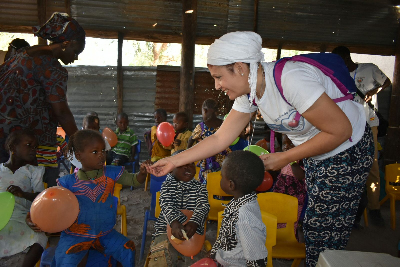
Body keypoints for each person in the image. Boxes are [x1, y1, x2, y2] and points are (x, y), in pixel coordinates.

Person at [149, 31, 374, 267]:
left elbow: (341, 131)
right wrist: (174, 161)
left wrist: (284, 158)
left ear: (239, 68)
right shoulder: (250, 94)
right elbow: (219, 139)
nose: (216, 86)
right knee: (312, 224)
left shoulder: (290, 79)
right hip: (317, 153)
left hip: (348, 151)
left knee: (323, 231)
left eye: (218, 77)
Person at [0, 12, 85, 182]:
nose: (75, 58)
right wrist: (80, 143)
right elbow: (61, 111)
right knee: (39, 191)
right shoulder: (52, 68)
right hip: (33, 145)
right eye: (75, 51)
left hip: (6, 139)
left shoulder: (20, 55)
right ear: (66, 43)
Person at [54, 129, 148, 266]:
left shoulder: (111, 173)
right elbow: (53, 209)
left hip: (105, 233)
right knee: (67, 261)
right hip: (75, 235)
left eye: (103, 151)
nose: (101, 155)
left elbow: (134, 180)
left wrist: (142, 173)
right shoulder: (66, 183)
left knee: (128, 249)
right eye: (95, 152)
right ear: (79, 156)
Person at [332, 46, 391, 228]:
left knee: (372, 166)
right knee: (346, 168)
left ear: (346, 58)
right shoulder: (336, 75)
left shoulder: (369, 68)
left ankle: (374, 209)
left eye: (340, 60)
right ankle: (350, 212)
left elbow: (387, 82)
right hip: (347, 126)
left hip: (368, 124)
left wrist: (374, 92)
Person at [148, 150, 210, 266]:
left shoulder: (200, 188)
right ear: (171, 168)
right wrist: (174, 222)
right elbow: (166, 204)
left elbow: (203, 206)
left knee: (197, 260)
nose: (187, 168)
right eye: (181, 165)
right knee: (161, 258)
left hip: (192, 232)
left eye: (191, 163)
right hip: (166, 230)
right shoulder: (167, 185)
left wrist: (194, 222)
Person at [208, 150, 268, 266]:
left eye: (222, 177)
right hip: (222, 259)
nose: (221, 179)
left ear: (231, 185)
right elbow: (226, 234)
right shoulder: (241, 201)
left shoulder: (245, 216)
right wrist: (215, 253)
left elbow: (256, 260)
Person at [0, 130, 47, 267]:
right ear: (13, 147)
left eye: (35, 147)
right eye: (29, 145)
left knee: (39, 238)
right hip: (1, 218)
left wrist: (24, 194)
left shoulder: (34, 171)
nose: (33, 150)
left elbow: (42, 199)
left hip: (23, 217)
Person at [187, 99, 231, 184]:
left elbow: (190, 140)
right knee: (220, 180)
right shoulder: (224, 124)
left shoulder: (201, 127)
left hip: (207, 160)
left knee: (206, 182)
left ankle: (206, 196)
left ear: (205, 110)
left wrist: (188, 157)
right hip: (224, 160)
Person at [273, 134, 306, 236]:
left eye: (291, 143)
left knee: (291, 224)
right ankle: (278, 241)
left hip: (295, 199)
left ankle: (291, 239)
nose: (286, 146)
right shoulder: (284, 159)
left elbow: (300, 175)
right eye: (284, 144)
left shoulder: (302, 159)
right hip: (280, 195)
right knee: (278, 222)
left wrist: (292, 161)